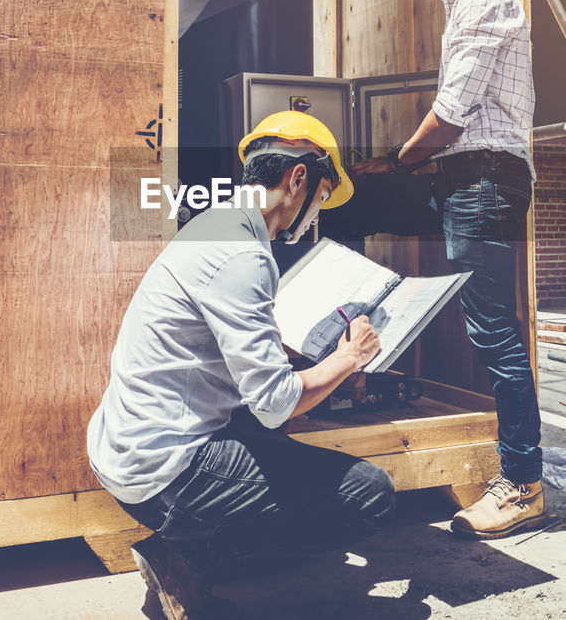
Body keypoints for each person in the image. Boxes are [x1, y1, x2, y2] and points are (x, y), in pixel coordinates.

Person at [87, 111, 395, 620]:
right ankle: (185, 556)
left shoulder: (215, 227)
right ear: (299, 179)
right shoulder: (243, 255)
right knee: (370, 495)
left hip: (125, 448)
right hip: (166, 470)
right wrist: (349, 358)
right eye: (320, 199)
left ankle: (189, 546)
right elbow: (275, 405)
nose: (318, 215)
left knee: (281, 443)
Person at [328, 0, 544, 540]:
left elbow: (452, 115)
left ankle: (523, 483)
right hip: (456, 177)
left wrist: (394, 160)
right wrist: (379, 171)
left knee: (491, 329)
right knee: (344, 202)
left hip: (483, 179)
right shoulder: (464, 2)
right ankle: (345, 373)